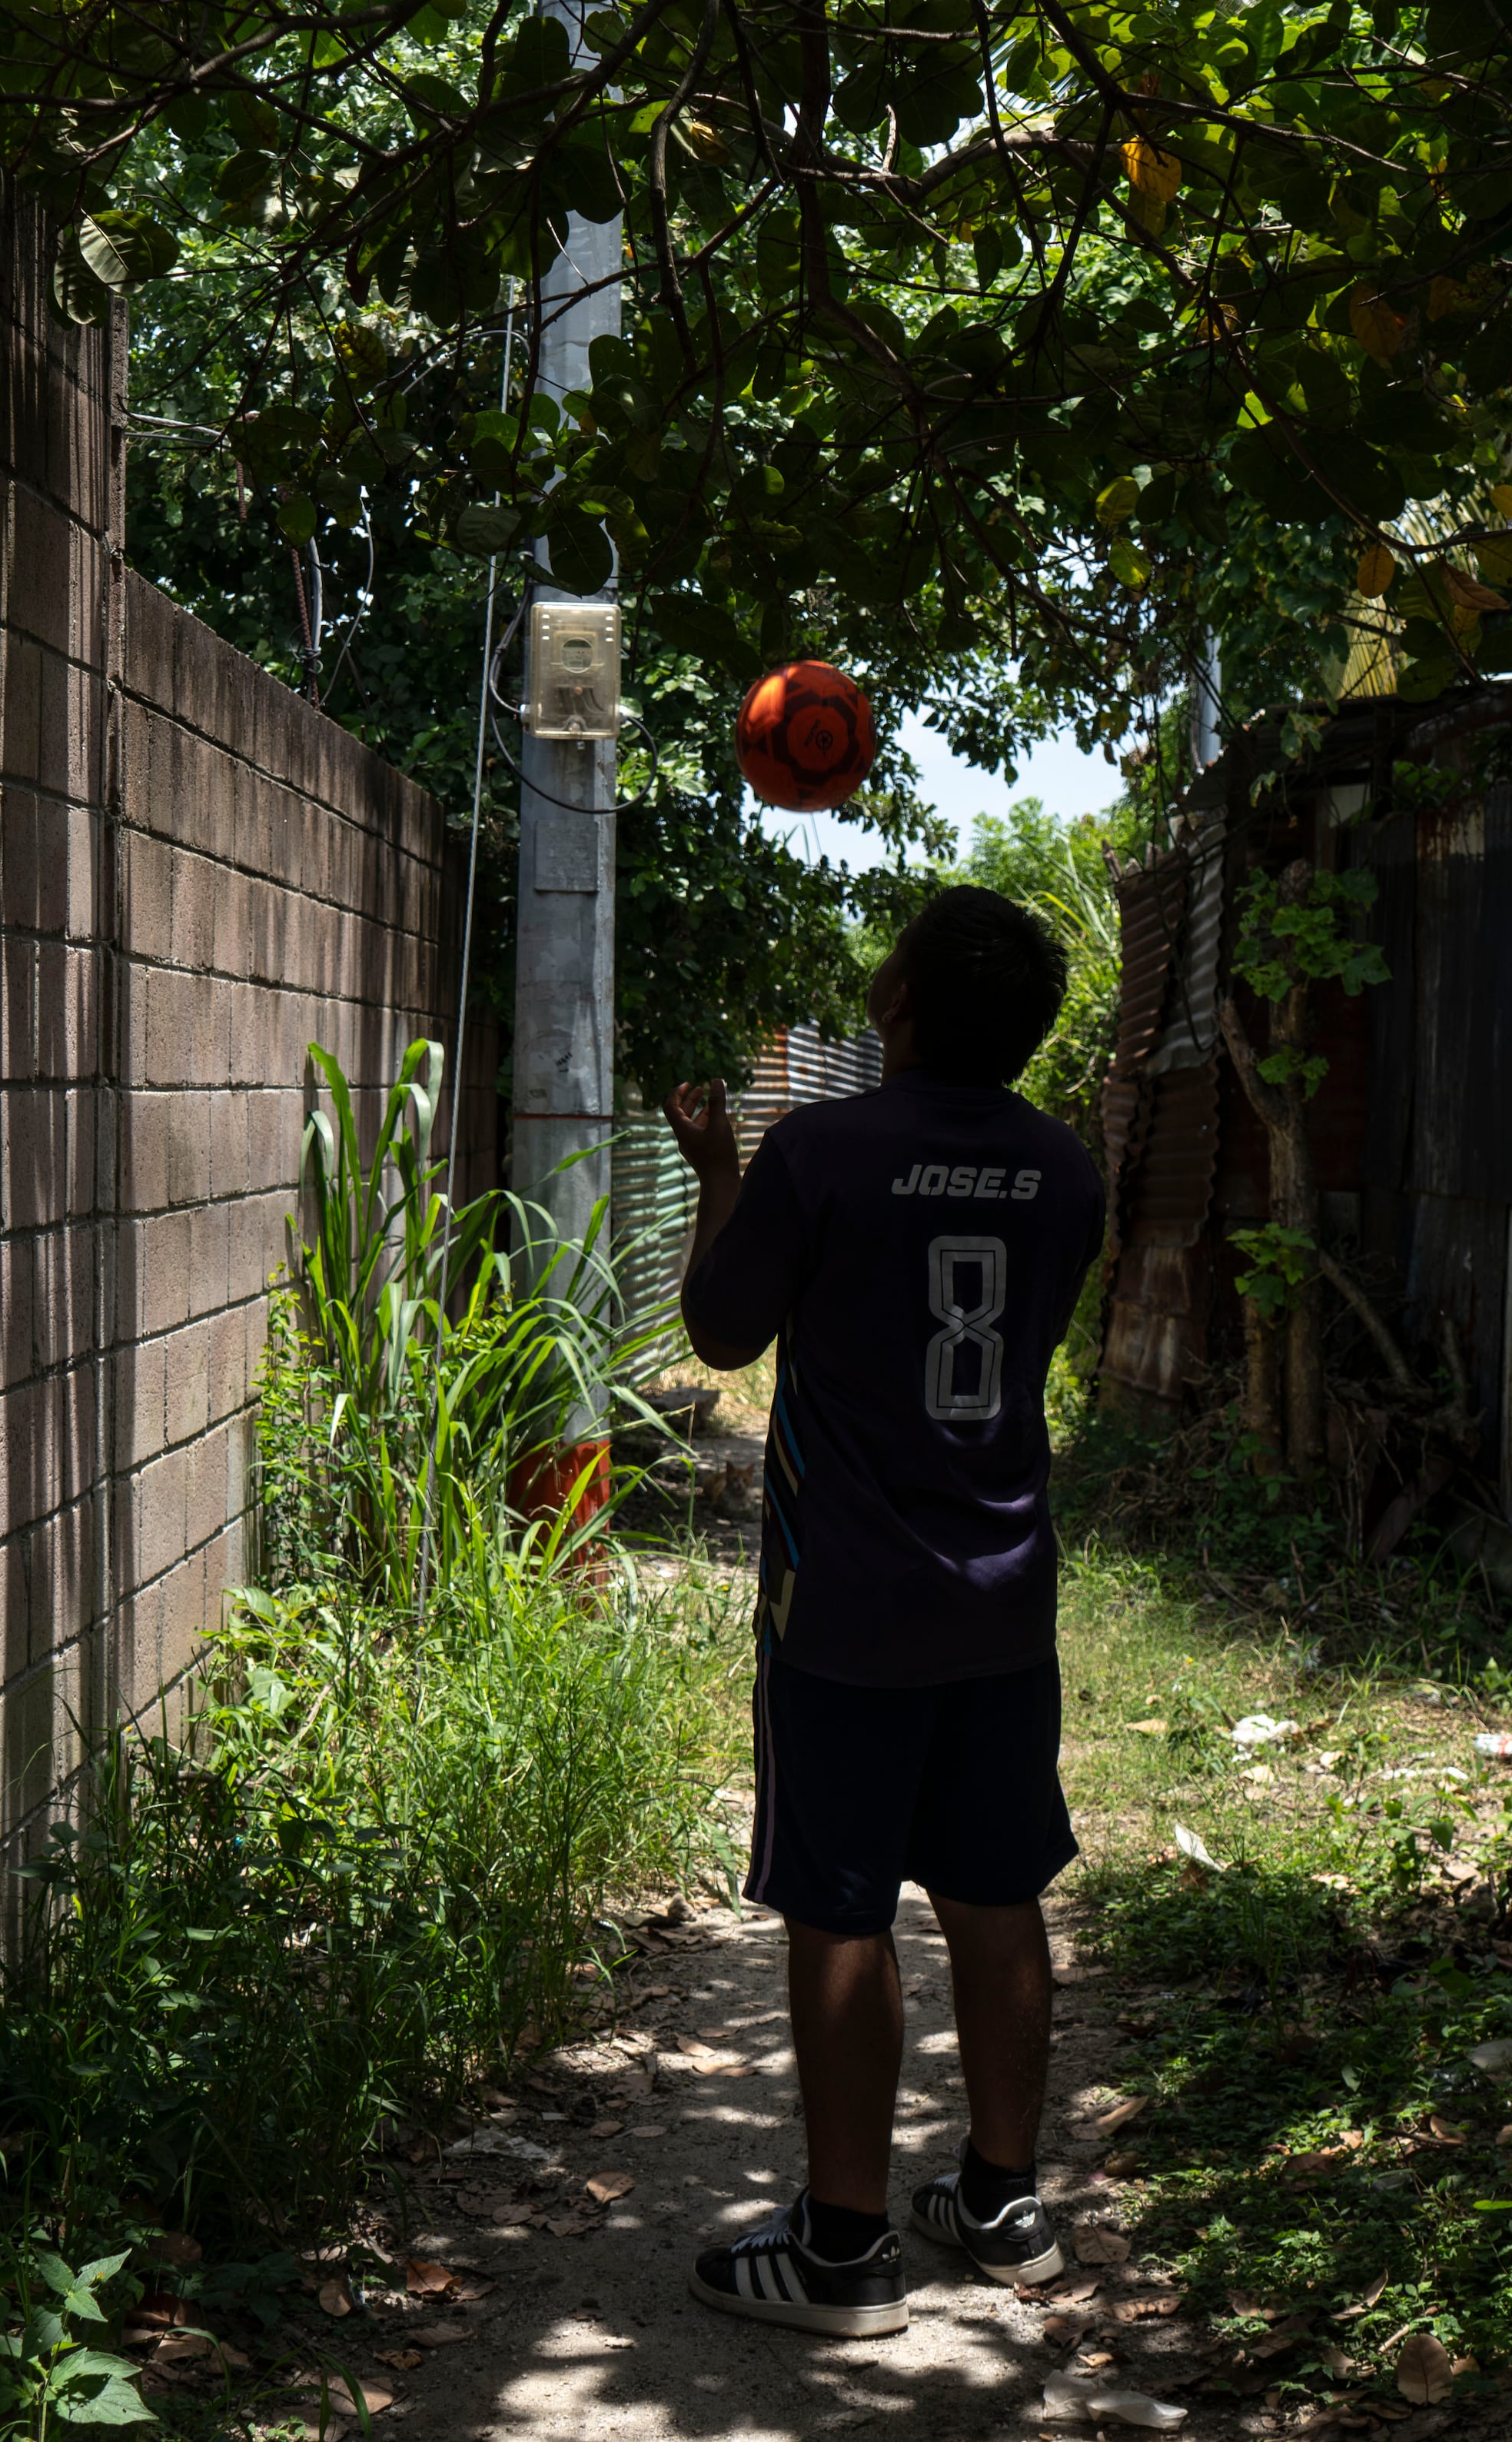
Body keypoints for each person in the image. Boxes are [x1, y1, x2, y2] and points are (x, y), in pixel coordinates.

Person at [659, 884, 1106, 2337]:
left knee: (841, 1905)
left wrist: (721, 1163)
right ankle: (1000, 2200)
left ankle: (845, 2249)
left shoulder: (821, 1149)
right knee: (996, 1887)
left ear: (901, 1004)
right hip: (1002, 1596)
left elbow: (724, 1328)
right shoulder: (1068, 1170)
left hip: (844, 1598)